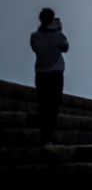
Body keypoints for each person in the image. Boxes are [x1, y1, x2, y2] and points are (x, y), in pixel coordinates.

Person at [29, 8, 69, 145]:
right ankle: (49, 134)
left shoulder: (35, 36)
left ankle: (43, 133)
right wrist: (58, 30)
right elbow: (65, 47)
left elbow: (35, 48)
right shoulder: (57, 35)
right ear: (51, 20)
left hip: (41, 73)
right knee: (53, 103)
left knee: (43, 103)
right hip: (55, 73)